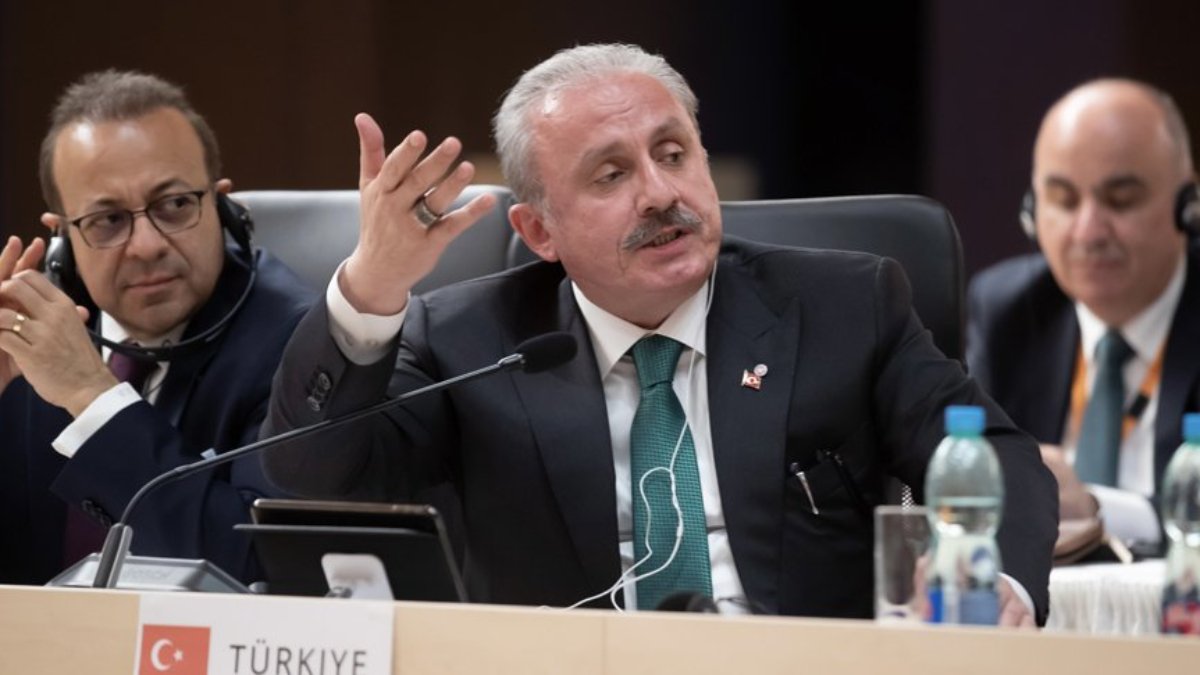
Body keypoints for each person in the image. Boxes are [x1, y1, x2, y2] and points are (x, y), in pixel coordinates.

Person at [262, 44, 1056, 625]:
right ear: (539, 231)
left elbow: (998, 455)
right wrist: (373, 285)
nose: (658, 193)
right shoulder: (469, 341)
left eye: (673, 154)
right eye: (611, 174)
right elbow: (314, 479)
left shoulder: (844, 305)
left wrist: (1001, 584)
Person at [0, 70, 314, 585]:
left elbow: (257, 570)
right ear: (62, 240)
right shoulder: (25, 336)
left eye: (174, 205)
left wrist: (91, 396)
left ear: (223, 209)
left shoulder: (303, 345)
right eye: (107, 220)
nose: (147, 246)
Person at [968, 79, 1200, 552]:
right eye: (1065, 200)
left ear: (1188, 206)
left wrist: (1097, 510)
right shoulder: (1007, 311)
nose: (1089, 232)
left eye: (1121, 200)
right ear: (1032, 211)